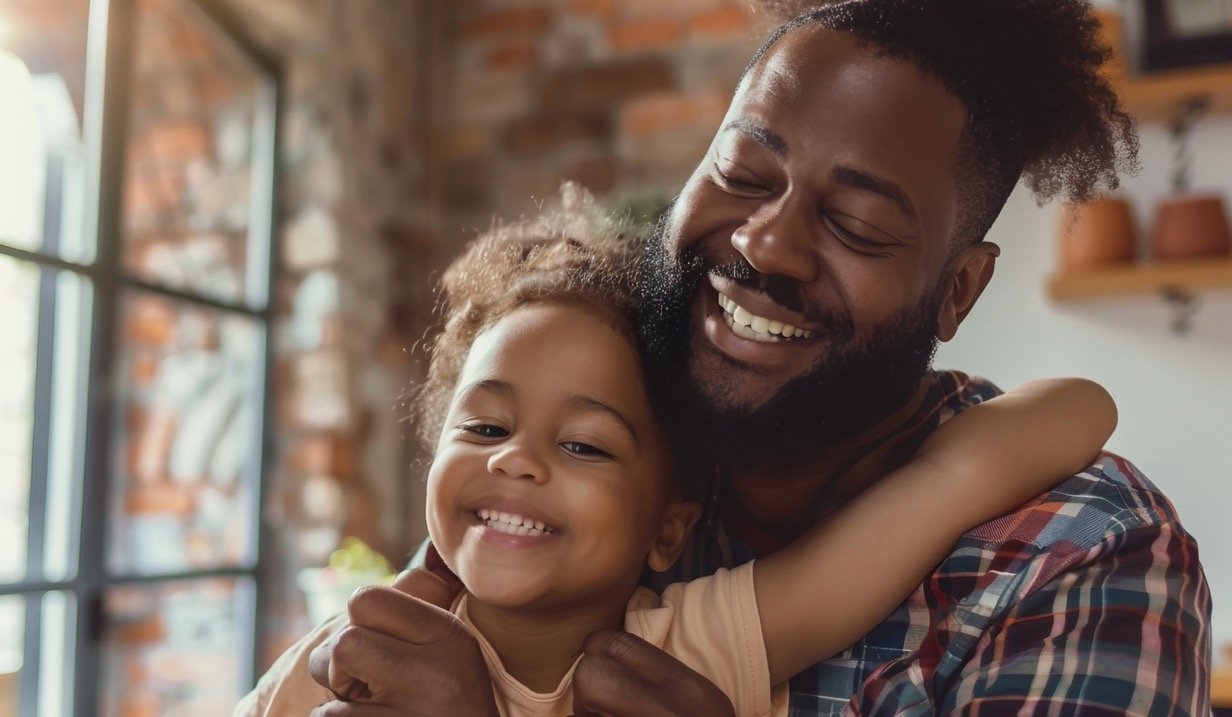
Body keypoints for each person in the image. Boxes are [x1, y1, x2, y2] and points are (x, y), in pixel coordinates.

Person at [307, 0, 1213, 714]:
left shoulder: (1084, 556)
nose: (766, 242)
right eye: (742, 174)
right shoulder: (612, 430)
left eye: (856, 223)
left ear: (958, 290)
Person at [236, 201, 1117, 716]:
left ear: (671, 526)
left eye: (583, 443)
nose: (517, 462)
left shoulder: (690, 647)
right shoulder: (364, 645)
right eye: (484, 428)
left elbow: (998, 453)